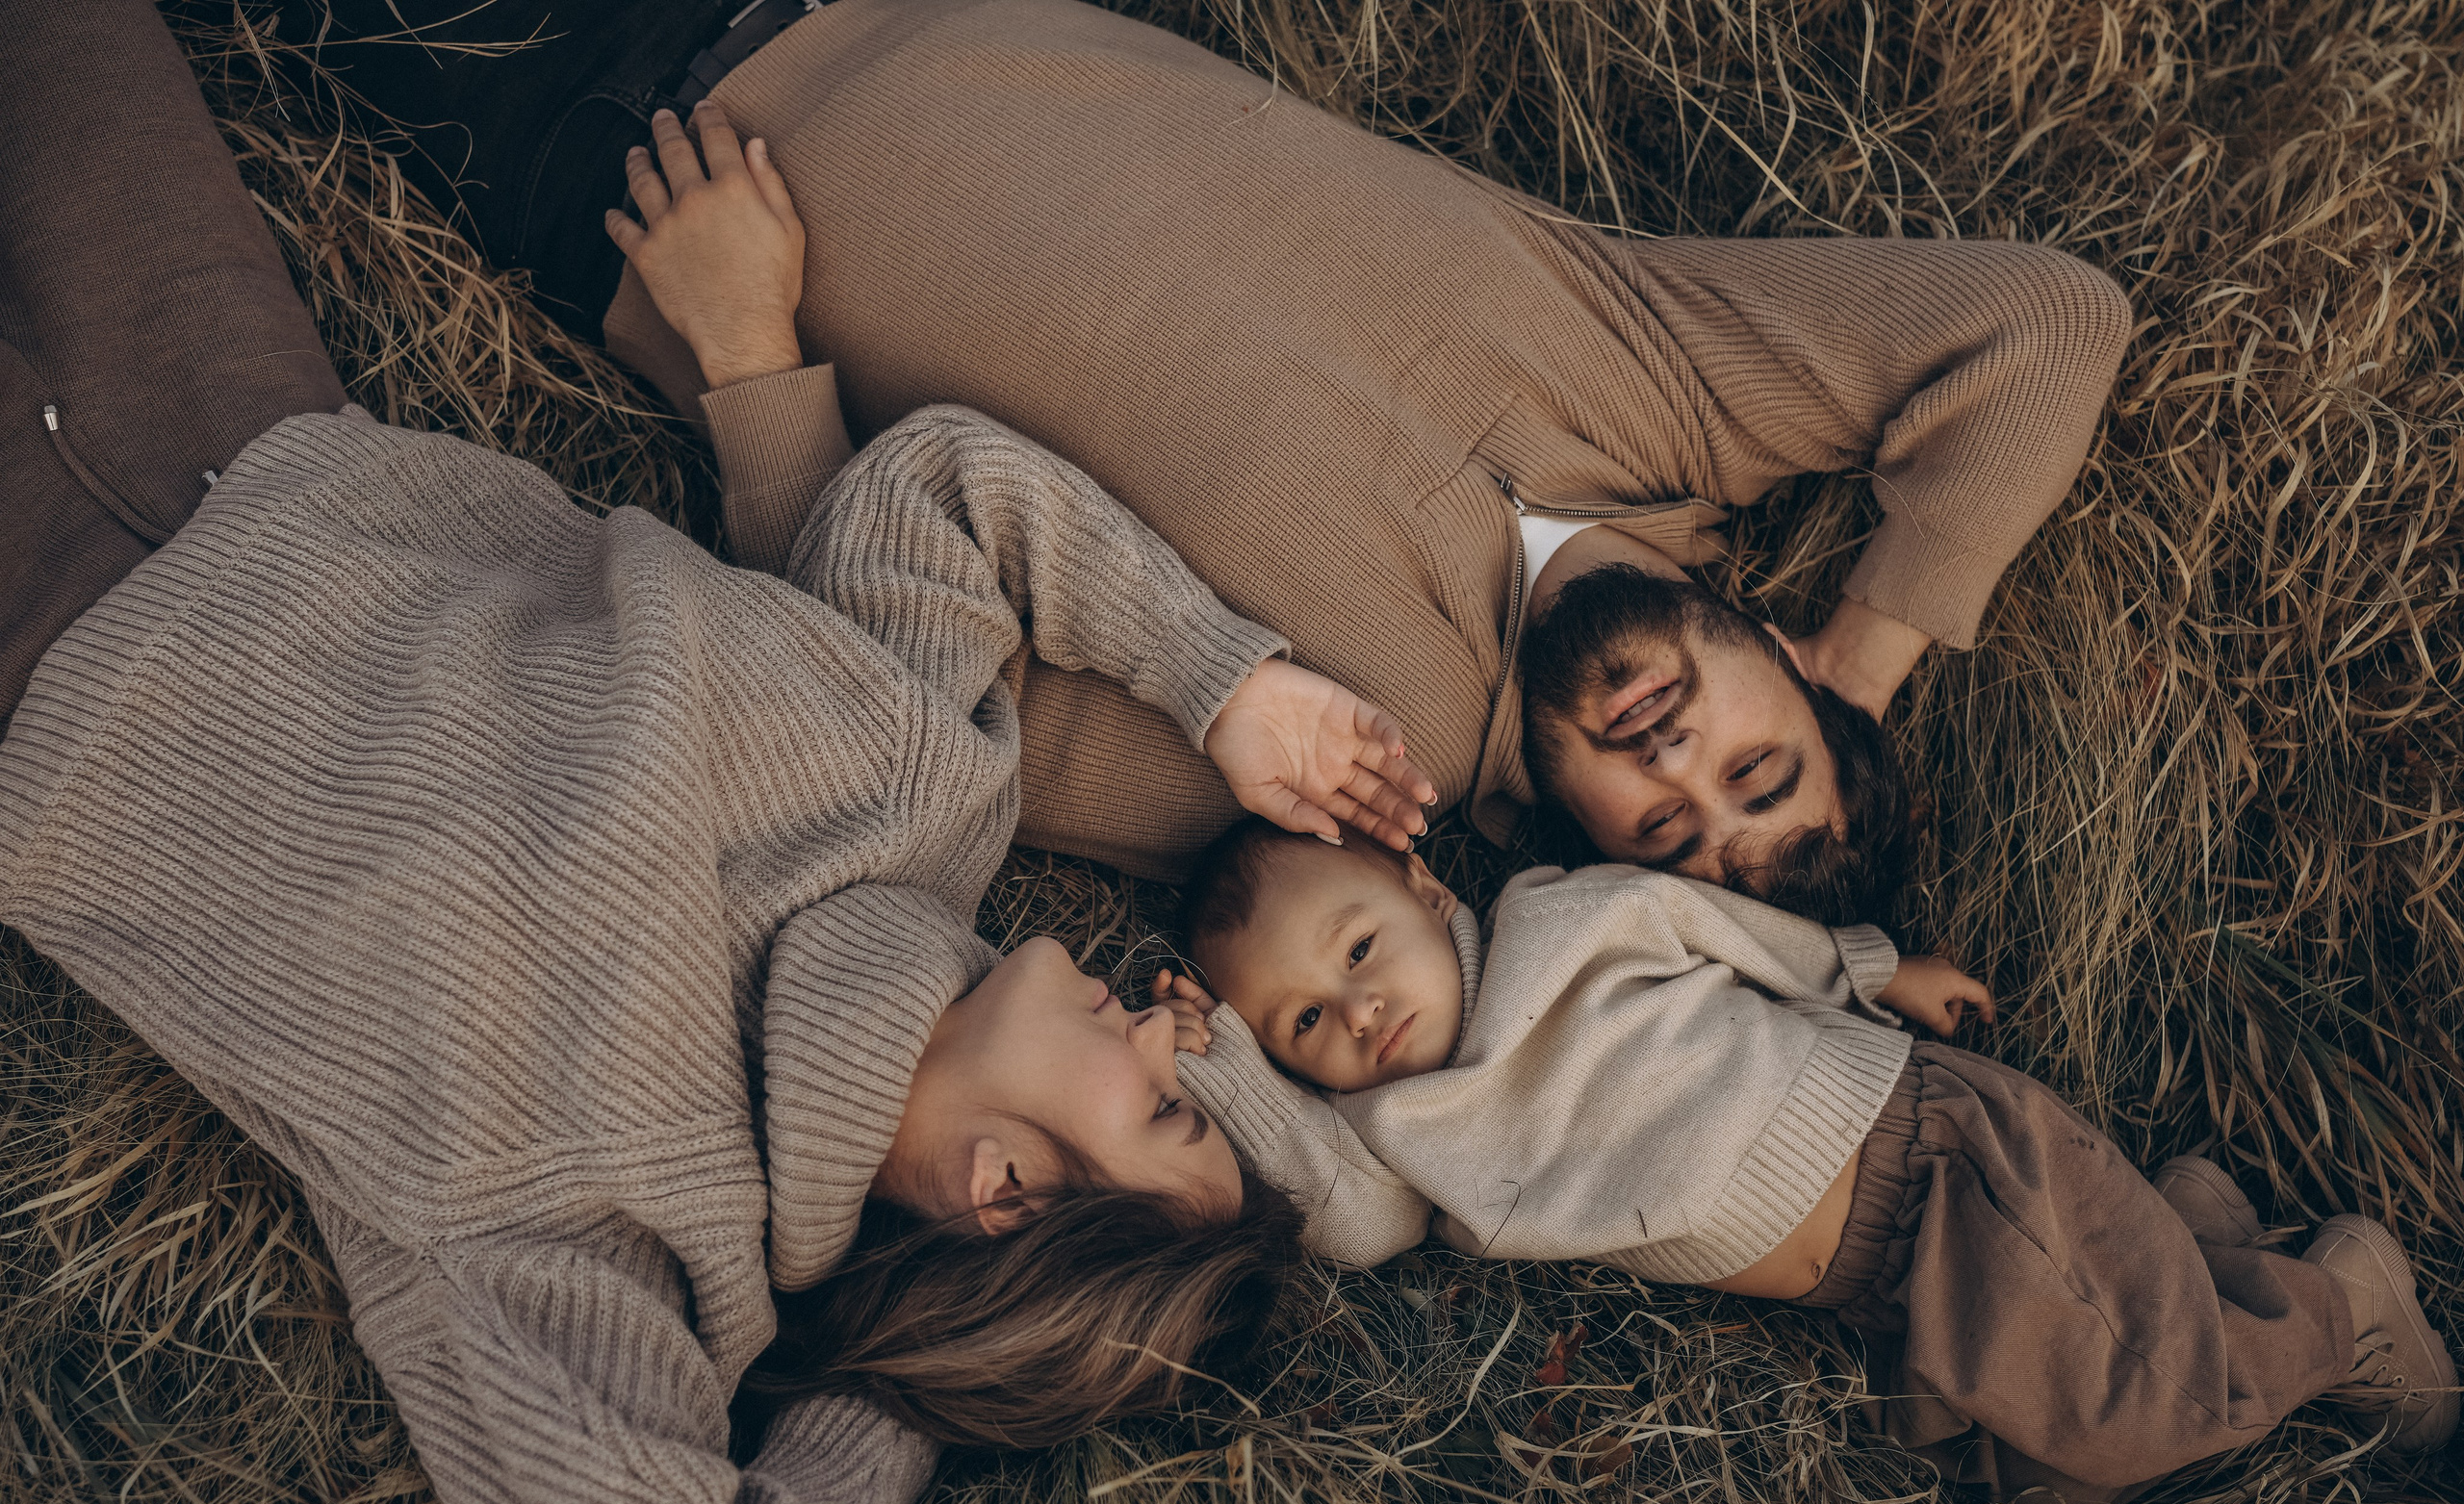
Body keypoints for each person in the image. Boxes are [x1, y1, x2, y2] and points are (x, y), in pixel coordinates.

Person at [0, 26, 1440, 1504]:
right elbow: (938, 495)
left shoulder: (615, 1230)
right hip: (254, 426)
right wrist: (1219, 677)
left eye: (1169, 1101)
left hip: (51, 685)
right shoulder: (924, 800)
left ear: (998, 1195)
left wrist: (892, 1394)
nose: (1169, 1020)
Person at [271, 0, 2136, 916]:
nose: (1679, 769)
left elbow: (890, 690)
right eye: (1756, 771)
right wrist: (1874, 656)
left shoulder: (1326, 765)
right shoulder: (1678, 401)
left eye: (1670, 833)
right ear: (1784, 675)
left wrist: (744, 345)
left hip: (613, 124)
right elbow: (2042, 324)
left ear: (1584, 851)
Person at [1155, 818, 2457, 1504]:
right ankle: (2190, 1240)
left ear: (1421, 884)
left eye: (1360, 947)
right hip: (1878, 1289)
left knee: (2134, 1410)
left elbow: (1727, 930)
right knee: (2040, 1480)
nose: (1357, 1009)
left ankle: (2339, 1308)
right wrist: (1210, 1065)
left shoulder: (1560, 926)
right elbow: (1331, 1207)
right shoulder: (1400, 1143)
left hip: (1932, 1154)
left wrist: (1875, 967)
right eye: (1305, 1025)